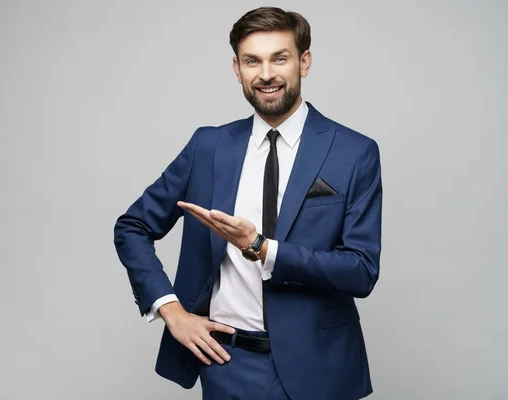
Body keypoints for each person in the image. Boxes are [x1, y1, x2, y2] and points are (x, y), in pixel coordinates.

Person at [114, 6, 382, 400]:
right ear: (237, 69)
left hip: (322, 368)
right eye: (252, 61)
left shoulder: (354, 152)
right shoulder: (208, 147)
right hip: (227, 364)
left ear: (303, 62)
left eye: (280, 58)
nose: (266, 73)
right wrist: (170, 310)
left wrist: (261, 247)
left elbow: (361, 271)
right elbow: (132, 227)